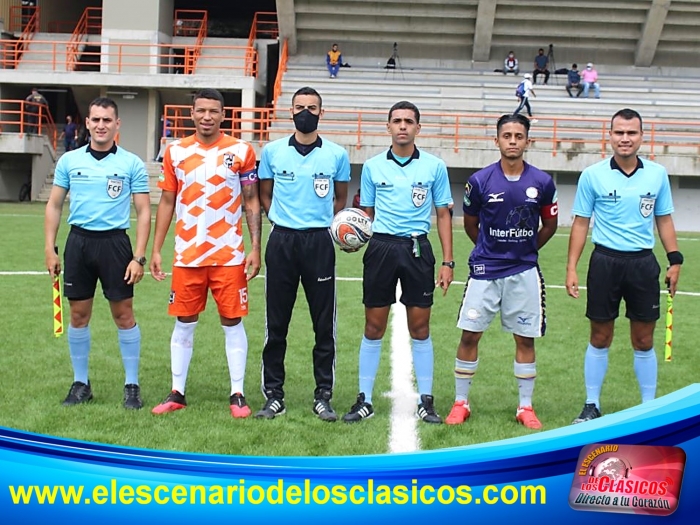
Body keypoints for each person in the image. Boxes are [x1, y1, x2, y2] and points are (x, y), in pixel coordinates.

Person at [150, 88, 261, 419]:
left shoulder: (241, 150)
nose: (207, 116)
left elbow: (251, 200)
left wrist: (256, 247)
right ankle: (177, 392)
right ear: (192, 113)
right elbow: (167, 201)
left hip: (229, 254)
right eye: (201, 110)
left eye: (214, 111)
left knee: (232, 321)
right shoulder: (175, 151)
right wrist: (156, 249)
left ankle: (237, 393)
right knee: (184, 321)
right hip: (188, 254)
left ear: (223, 115)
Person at [566, 108, 682, 424]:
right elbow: (580, 222)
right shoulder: (592, 175)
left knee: (643, 339)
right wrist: (572, 267)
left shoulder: (657, 174)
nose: (625, 138)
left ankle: (648, 408)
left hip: (642, 264)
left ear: (641, 136)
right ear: (610, 136)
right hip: (605, 262)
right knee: (600, 335)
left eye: (631, 132)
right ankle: (592, 404)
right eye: (619, 132)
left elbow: (664, 218)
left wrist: (674, 259)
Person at [342, 100, 454, 424]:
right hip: (380, 248)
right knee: (373, 326)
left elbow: (443, 214)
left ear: (418, 127)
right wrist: (354, 238)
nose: (402, 126)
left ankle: (426, 400)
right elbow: (367, 214)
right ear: (388, 126)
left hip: (417, 249)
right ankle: (364, 399)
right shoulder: (372, 166)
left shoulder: (435, 166)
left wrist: (448, 262)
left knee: (420, 328)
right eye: (397, 120)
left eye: (408, 121)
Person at [444, 113, 558, 430]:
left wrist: (526, 249)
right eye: (507, 136)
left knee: (525, 339)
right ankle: (461, 403)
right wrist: (490, 249)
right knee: (470, 334)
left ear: (527, 141)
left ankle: (525, 407)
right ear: (497, 140)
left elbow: (550, 225)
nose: (512, 141)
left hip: (524, 270)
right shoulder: (479, 181)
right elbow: (470, 224)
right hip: (485, 269)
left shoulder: (542, 182)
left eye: (518, 136)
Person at [44, 97, 151, 409]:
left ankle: (132, 385)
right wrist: (50, 248)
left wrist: (138, 256)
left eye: (107, 120)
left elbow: (144, 212)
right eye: (96, 120)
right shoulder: (69, 161)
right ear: (87, 123)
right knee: (78, 315)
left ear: (117, 124)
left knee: (124, 315)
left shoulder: (131, 163)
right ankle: (81, 383)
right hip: (79, 243)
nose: (101, 125)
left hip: (115, 245)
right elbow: (54, 205)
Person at [256, 86, 350, 421]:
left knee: (323, 325)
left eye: (312, 107)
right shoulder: (272, 151)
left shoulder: (337, 155)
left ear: (321, 112)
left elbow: (341, 198)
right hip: (282, 241)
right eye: (299, 107)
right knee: (276, 324)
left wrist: (321, 224)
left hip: (319, 243)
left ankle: (323, 395)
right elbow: (265, 195)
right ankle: (274, 395)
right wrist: (282, 220)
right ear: (290, 111)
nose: (305, 113)